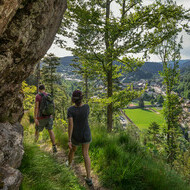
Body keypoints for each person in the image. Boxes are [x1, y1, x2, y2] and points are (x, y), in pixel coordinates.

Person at [67, 90, 93, 186]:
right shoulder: (86, 107)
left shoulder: (70, 110)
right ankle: (89, 178)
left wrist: (69, 139)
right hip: (86, 133)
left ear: (73, 99)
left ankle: (69, 166)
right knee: (86, 154)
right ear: (81, 98)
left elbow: (70, 124)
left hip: (75, 135)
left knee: (72, 150)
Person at [34, 84, 57, 153]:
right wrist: (51, 114)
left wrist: (35, 118)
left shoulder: (38, 96)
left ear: (39, 90)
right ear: (44, 89)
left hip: (41, 117)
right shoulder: (49, 95)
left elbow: (36, 107)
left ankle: (34, 145)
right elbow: (53, 106)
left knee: (37, 130)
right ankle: (54, 146)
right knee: (50, 130)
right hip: (49, 116)